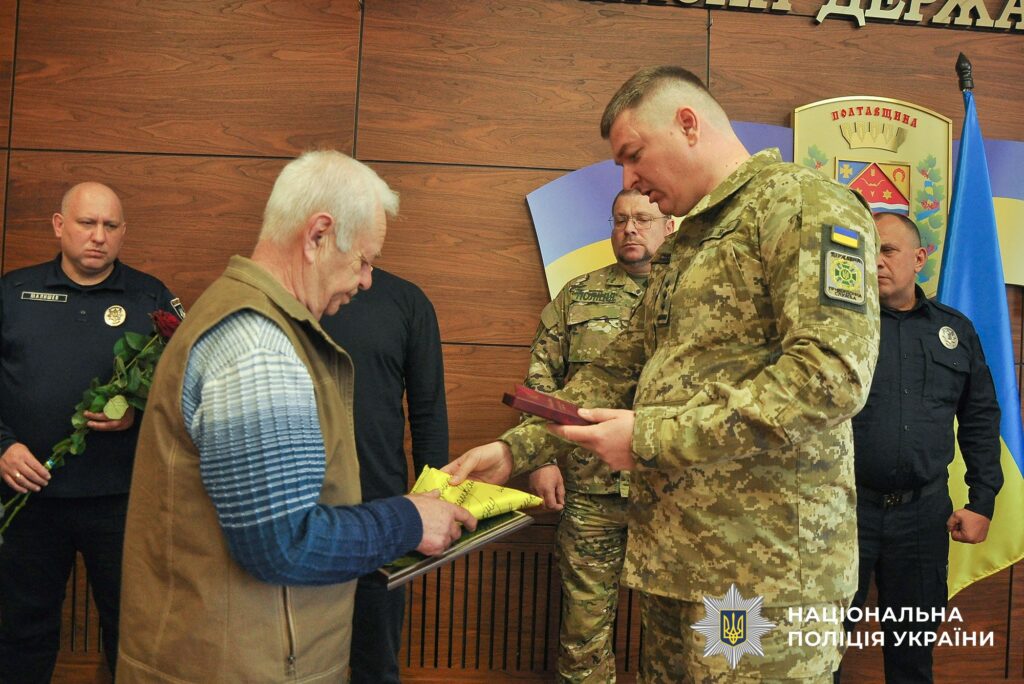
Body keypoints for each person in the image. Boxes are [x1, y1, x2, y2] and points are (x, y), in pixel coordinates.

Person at [445, 65, 880, 682]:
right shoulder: (687, 246)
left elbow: (830, 378)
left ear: (687, 124)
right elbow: (614, 373)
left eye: (633, 155)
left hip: (764, 577)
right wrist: (512, 450)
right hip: (674, 566)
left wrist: (649, 437)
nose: (629, 181)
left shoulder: (803, 207)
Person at [116, 150, 475, 683]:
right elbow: (283, 544)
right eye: (364, 260)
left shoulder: (247, 316)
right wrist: (409, 519)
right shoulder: (259, 346)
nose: (368, 280)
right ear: (318, 237)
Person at [0, 182, 180, 683]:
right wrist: (2, 447)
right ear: (60, 226)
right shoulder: (12, 293)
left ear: (123, 233)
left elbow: (191, 390)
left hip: (121, 502)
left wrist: (137, 416)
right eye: (86, 223)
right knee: (21, 634)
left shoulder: (153, 298)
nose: (98, 236)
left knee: (133, 632)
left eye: (110, 226)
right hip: (29, 499)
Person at [839, 212, 1002, 683]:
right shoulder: (838, 328)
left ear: (919, 259)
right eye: (866, 249)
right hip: (843, 511)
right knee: (819, 651)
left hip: (922, 516)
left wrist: (982, 500)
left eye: (887, 250)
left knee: (912, 656)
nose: (875, 260)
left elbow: (979, 418)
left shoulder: (955, 331)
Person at [526, 188, 671, 682]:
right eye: (620, 220)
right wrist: (540, 459)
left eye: (643, 219)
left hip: (673, 497)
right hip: (591, 493)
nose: (630, 228)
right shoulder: (578, 295)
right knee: (583, 634)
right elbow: (541, 383)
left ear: (669, 226)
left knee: (679, 639)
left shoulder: (696, 300)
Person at [320, 268, 449, 684]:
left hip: (384, 510)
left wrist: (436, 498)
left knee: (376, 664)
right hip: (302, 512)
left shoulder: (406, 300)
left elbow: (428, 410)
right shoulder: (296, 297)